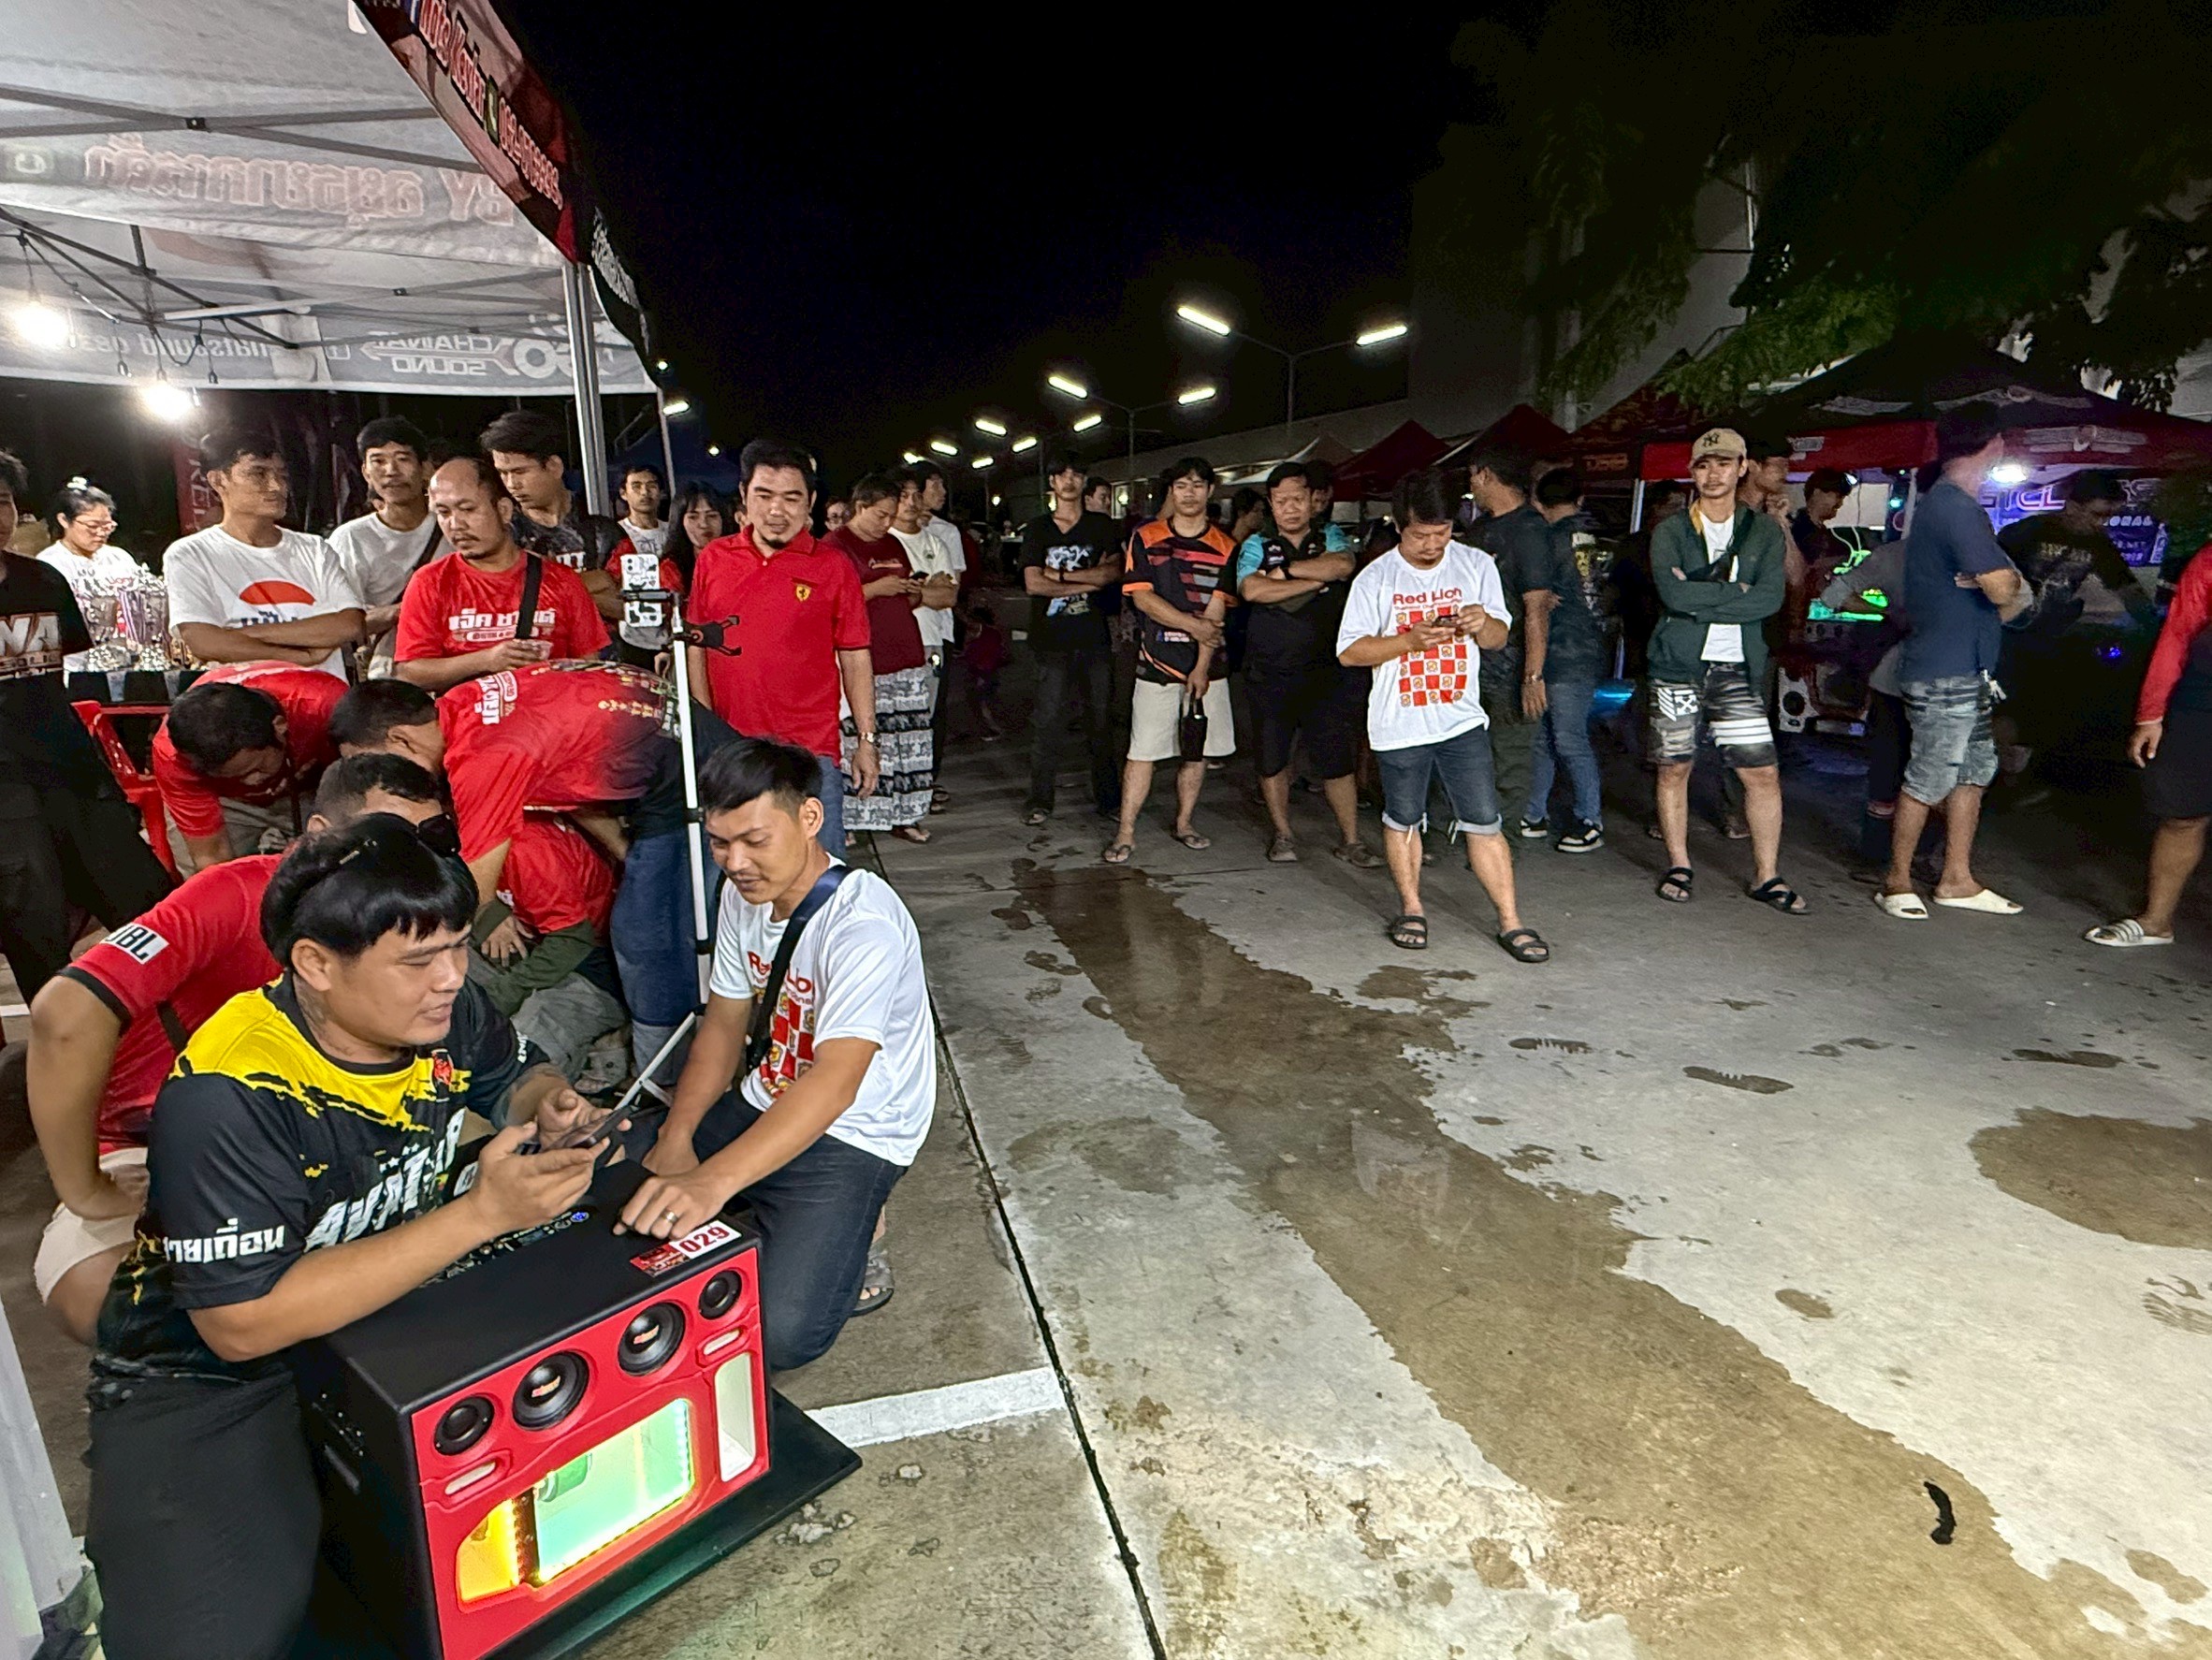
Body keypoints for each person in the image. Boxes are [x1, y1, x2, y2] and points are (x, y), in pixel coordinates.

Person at [81, 815, 609, 1660]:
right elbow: (240, 1323)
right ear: (317, 965)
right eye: (418, 960)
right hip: (205, 1370)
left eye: (457, 946)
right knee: (215, 1638)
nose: (450, 977)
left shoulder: (444, 1007)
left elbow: (511, 1075)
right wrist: (482, 1215)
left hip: (394, 1296)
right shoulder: (230, 1092)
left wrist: (546, 1105)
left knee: (562, 1502)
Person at [26, 752, 446, 1343]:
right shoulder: (235, 895)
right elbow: (65, 1013)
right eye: (385, 840)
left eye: (431, 839)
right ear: (319, 835)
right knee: (110, 1301)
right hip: (171, 1139)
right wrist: (87, 1190)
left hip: (345, 1126)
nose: (409, 861)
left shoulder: (424, 917)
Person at [626, 735, 934, 1367]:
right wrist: (680, 1138)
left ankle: (858, 1220)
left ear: (810, 818)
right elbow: (722, 1026)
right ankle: (766, 1208)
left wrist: (711, 1182)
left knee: (781, 1333)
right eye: (720, 843)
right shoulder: (742, 896)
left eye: (755, 841)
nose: (735, 862)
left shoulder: (864, 926)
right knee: (618, 1182)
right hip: (768, 1093)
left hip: (858, 1128)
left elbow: (836, 1081)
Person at [330, 668, 730, 1088]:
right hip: (672, 744)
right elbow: (568, 776)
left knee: (647, 936)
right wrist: (628, 856)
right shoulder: (463, 703)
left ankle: (664, 1076)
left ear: (400, 740)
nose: (377, 774)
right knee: (649, 909)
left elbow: (471, 891)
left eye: (372, 762)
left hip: (694, 779)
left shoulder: (481, 760)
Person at [1336, 469, 1550, 963]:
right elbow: (1349, 652)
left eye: (1443, 532)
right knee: (1404, 818)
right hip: (1399, 723)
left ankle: (1511, 920)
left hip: (1461, 720)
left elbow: (1498, 637)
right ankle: (1412, 909)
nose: (1433, 545)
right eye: (1420, 535)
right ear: (1398, 525)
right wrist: (1408, 641)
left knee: (1485, 820)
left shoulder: (1475, 565)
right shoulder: (1376, 577)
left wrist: (1483, 622)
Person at [0, 451, 172, 1003]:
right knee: (36, 929)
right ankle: (62, 1043)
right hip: (7, 793)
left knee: (147, 906)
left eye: (2, 501)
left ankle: (172, 1026)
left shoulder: (42, 580)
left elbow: (67, 668)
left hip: (72, 769)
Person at [688, 441, 877, 853]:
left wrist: (866, 740)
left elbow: (855, 655)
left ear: (810, 501)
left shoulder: (833, 566)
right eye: (764, 495)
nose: (777, 510)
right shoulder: (714, 559)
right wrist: (705, 729)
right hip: (731, 750)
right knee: (735, 868)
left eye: (791, 498)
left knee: (819, 868)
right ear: (744, 495)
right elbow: (697, 645)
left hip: (809, 752)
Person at [1878, 408, 2029, 920]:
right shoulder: (1956, 507)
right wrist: (1998, 579)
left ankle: (1956, 878)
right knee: (1931, 775)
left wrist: (1992, 581)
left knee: (1973, 770)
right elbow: (2005, 589)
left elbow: (2000, 586)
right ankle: (1897, 880)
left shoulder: (1946, 503)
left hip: (1965, 664)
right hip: (1945, 667)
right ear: (1993, 444)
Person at [1648, 428, 1805, 913]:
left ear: (1742, 468)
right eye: (1703, 465)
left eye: (1723, 463)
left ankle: (1767, 874)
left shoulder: (1762, 531)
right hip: (1677, 664)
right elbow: (1672, 595)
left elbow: (1770, 598)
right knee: (1674, 766)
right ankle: (1679, 863)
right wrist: (1736, 593)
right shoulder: (1671, 530)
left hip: (1737, 665)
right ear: (1691, 472)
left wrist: (1699, 598)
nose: (1713, 474)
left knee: (1761, 771)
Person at [1235, 460, 1375, 866]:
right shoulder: (1255, 544)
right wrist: (1315, 582)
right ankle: (1283, 834)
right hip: (1269, 671)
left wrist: (1284, 573)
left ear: (1313, 500)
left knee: (1336, 760)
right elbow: (1252, 589)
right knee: (1272, 758)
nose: (1291, 508)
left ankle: (1351, 840)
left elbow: (1343, 564)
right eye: (1282, 501)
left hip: (1326, 672)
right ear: (1271, 503)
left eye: (1298, 499)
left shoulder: (1329, 534)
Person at [1993, 469, 2157, 796]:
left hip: (2045, 641)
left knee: (2029, 711)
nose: (2102, 523)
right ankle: (1992, 783)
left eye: (2108, 517)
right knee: (2000, 709)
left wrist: (2158, 629)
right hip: (2003, 636)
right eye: (2097, 514)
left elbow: (2127, 590)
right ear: (2072, 506)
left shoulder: (2097, 544)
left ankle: (2009, 783)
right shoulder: (2026, 532)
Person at [1106, 458, 1236, 863]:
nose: (1190, 493)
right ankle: (1125, 832)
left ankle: (1184, 823)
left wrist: (1201, 666)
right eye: (1181, 485)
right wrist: (1192, 626)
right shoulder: (1145, 538)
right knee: (1142, 750)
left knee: (1196, 750)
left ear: (1210, 491)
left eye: (1197, 485)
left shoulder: (1227, 547)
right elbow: (1142, 598)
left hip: (1207, 667)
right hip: (1157, 661)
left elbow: (1217, 611)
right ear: (1171, 492)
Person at [163, 428, 365, 679]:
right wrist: (301, 656)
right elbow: (203, 642)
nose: (276, 486)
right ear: (218, 481)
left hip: (323, 697)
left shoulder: (315, 549)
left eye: (282, 475)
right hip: (244, 698)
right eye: (258, 473)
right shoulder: (190, 554)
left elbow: (349, 624)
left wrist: (238, 635)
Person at [2088, 539, 2212, 947]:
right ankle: (2156, 921)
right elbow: (2179, 631)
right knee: (2182, 814)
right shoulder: (2210, 559)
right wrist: (2151, 713)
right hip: (2203, 694)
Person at [393, 456, 608, 691]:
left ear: (504, 510)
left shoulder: (561, 580)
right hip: (466, 714)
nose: (455, 525)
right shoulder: (430, 582)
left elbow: (590, 669)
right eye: (444, 513)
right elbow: (410, 672)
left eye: (468, 509)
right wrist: (486, 660)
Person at [471, 810, 626, 1083]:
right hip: (532, 943)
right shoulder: (458, 835)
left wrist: (502, 994)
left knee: (516, 1058)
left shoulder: (528, 848)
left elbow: (574, 941)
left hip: (592, 964)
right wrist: (489, 912)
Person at [152, 661, 346, 868]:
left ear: (279, 726)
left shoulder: (326, 706)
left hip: (315, 788)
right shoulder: (173, 756)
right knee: (200, 877)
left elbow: (363, 785)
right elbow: (211, 856)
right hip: (227, 803)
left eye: (257, 768)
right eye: (235, 776)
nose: (252, 782)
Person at [825, 472, 934, 841]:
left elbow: (908, 596)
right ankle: (855, 819)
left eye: (891, 516)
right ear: (860, 507)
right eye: (880, 515)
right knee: (863, 738)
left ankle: (907, 814)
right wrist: (875, 588)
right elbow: (829, 603)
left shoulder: (893, 544)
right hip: (863, 657)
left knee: (908, 739)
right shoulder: (834, 546)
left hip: (905, 649)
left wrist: (910, 589)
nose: (886, 523)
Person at [1021, 453, 1124, 825]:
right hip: (1050, 641)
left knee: (1101, 722)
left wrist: (1061, 578)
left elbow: (1111, 574)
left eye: (1076, 474)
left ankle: (1109, 800)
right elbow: (1034, 584)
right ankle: (1040, 800)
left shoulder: (1102, 526)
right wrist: (1088, 579)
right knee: (1048, 722)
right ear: (1051, 483)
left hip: (1094, 638)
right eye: (1061, 474)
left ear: (1084, 481)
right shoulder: (1038, 529)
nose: (1068, 480)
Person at [1462, 447, 1558, 825]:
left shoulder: (1530, 530)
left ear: (1485, 475)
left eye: (1473, 476)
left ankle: (1505, 842)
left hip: (1512, 662)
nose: (1471, 485)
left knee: (1509, 762)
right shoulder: (1480, 530)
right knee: (1469, 755)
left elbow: (1537, 608)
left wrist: (1532, 676)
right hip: (1472, 661)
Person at [1520, 467, 1608, 851]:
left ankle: (1586, 818)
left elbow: (1535, 597)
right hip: (1588, 648)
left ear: (1538, 503)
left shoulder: (1546, 540)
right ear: (1580, 499)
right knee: (1563, 737)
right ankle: (1541, 812)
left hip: (1556, 647)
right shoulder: (1596, 540)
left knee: (1557, 738)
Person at [481, 407, 625, 623]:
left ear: (554, 467)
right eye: (503, 473)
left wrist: (549, 584)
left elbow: (630, 609)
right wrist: (596, 581)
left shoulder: (604, 532)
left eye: (520, 472)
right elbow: (502, 605)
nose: (512, 484)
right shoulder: (503, 537)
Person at [327, 416, 445, 670]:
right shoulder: (351, 538)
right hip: (390, 672)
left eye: (402, 459)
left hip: (459, 662)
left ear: (426, 468)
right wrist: (408, 609)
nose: (391, 470)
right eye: (378, 461)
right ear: (365, 473)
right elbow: (336, 624)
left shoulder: (451, 525)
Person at [39, 479, 151, 672]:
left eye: (107, 526)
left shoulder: (119, 557)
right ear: (64, 520)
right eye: (92, 526)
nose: (101, 533)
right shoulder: (49, 564)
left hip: (127, 659)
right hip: (76, 666)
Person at [659, 482, 726, 593]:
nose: (704, 524)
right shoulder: (671, 567)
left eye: (712, 516)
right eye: (693, 517)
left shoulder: (739, 559)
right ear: (680, 522)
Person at [618, 464, 669, 558]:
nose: (645, 492)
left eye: (651, 486)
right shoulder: (616, 532)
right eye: (636, 486)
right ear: (623, 493)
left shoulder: (672, 531)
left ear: (661, 492)